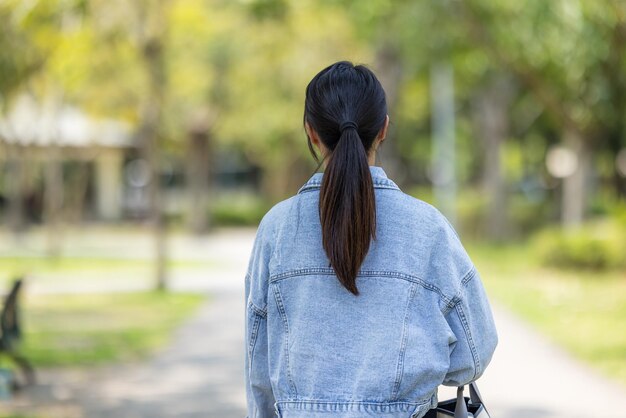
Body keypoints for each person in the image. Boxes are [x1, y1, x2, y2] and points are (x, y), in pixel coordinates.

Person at [244, 61, 498, 418]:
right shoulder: (428, 228)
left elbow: (260, 367)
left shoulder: (277, 229)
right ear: (383, 129)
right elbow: (474, 353)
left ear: (311, 132)